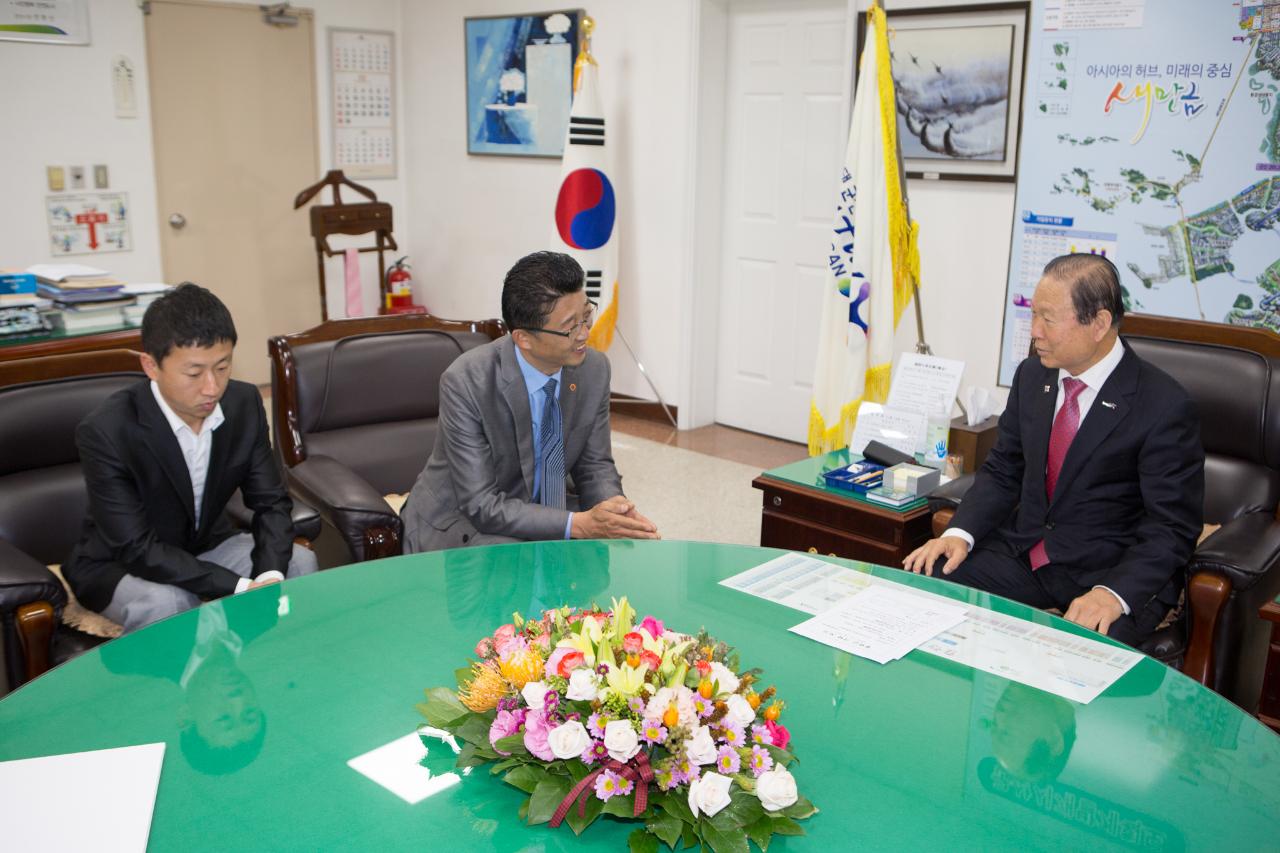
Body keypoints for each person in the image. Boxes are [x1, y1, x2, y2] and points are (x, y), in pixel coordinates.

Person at [902, 253, 1203, 645]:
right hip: (1026, 555)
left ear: (1099, 324)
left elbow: (1172, 527)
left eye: (1048, 319)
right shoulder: (1033, 376)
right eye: (1033, 316)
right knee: (928, 579)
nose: (1035, 333)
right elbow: (1002, 470)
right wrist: (960, 533)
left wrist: (1113, 595)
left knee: (1085, 656)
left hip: (1108, 571)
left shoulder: (1163, 405)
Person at [63, 283, 317, 632]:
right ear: (151, 366)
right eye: (194, 373)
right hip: (118, 564)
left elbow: (271, 502)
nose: (212, 387)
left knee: (299, 565)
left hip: (206, 545)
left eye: (223, 367)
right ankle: (179, 688)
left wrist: (269, 576)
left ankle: (278, 673)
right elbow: (136, 548)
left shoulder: (243, 405)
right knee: (170, 602)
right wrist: (239, 586)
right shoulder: (107, 430)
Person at [402, 251, 659, 551]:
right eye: (570, 327)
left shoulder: (594, 368)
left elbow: (594, 465)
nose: (585, 333)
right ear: (524, 338)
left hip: (542, 508)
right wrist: (577, 525)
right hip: (462, 520)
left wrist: (613, 512)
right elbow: (481, 504)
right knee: (511, 567)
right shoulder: (467, 381)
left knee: (591, 568)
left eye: (586, 315)